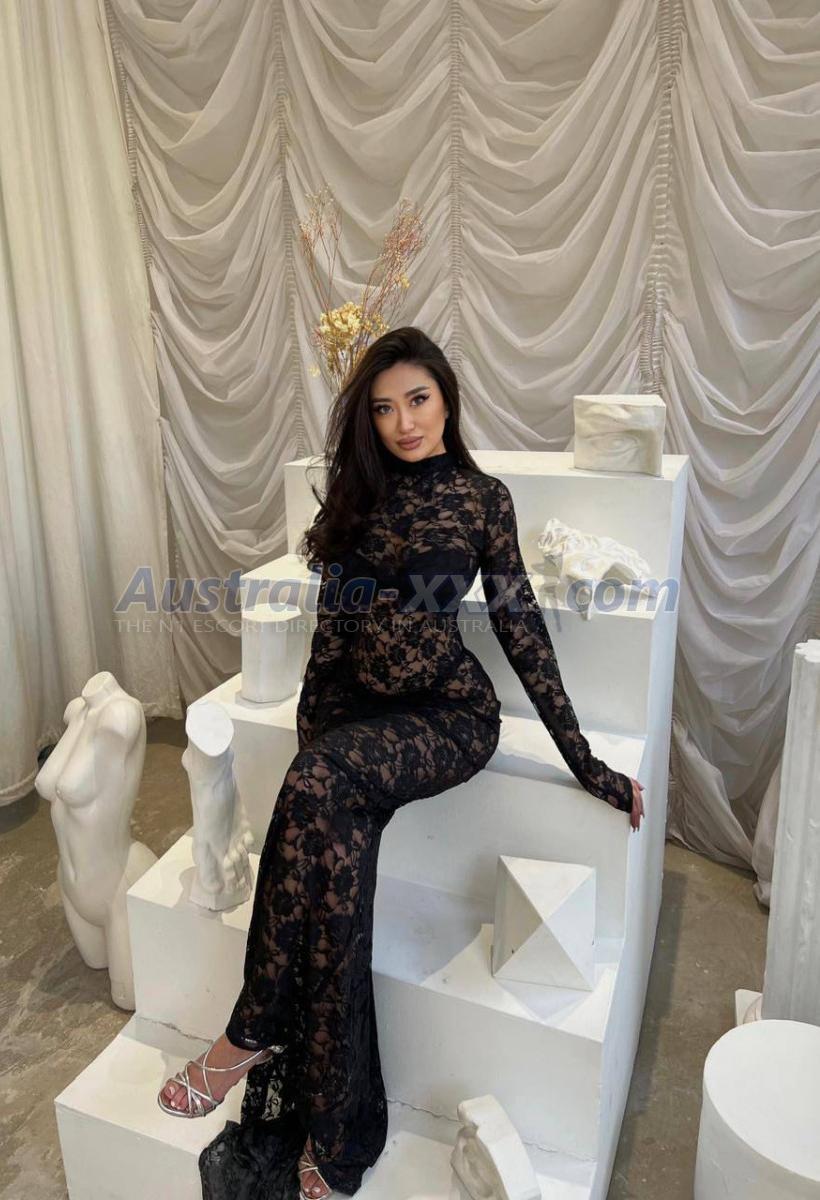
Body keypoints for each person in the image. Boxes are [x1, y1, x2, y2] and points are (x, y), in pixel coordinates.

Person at [157, 326, 645, 1199]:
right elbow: (331, 636)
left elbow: (520, 629)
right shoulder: (359, 493)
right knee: (335, 892)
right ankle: (342, 1136)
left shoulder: (481, 499)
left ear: (446, 400)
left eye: (417, 400)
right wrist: (315, 736)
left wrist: (585, 763)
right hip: (355, 713)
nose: (403, 422)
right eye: (383, 409)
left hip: (446, 715)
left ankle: (248, 1033)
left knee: (319, 793)